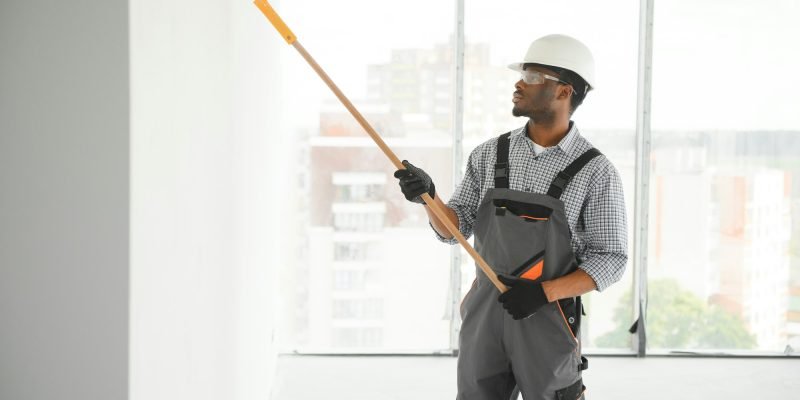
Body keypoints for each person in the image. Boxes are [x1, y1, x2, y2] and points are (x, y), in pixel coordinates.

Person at [394, 34, 628, 400]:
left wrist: (544, 293)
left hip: (547, 317)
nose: (519, 83)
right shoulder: (490, 154)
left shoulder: (595, 171)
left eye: (533, 77)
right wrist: (429, 196)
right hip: (485, 313)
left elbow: (611, 260)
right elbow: (454, 230)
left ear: (565, 92)